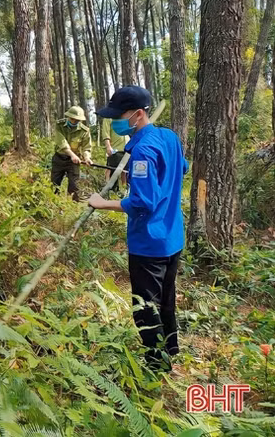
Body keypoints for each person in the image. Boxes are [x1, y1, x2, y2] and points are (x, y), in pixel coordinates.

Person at [87, 86, 188, 372]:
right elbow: (183, 168)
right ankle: (171, 350)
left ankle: (157, 367)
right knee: (166, 300)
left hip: (149, 243)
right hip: (172, 238)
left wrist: (102, 203)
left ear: (139, 115)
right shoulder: (169, 137)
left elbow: (143, 202)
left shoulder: (142, 151)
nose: (116, 122)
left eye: (120, 116)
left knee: (146, 308)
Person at [51, 106, 92, 201]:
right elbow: (62, 143)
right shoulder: (59, 126)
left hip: (74, 162)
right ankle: (52, 204)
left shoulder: (84, 131)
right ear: (68, 117)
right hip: (59, 158)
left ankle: (73, 205)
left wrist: (87, 158)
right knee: (54, 184)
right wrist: (72, 155)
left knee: (75, 186)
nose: (74, 121)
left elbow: (87, 147)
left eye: (77, 120)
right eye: (72, 119)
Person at [101, 117, 130, 193]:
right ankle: (112, 191)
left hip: (127, 149)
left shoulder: (125, 115)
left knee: (126, 172)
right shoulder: (108, 118)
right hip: (115, 150)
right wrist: (108, 146)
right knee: (113, 171)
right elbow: (106, 133)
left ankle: (125, 191)